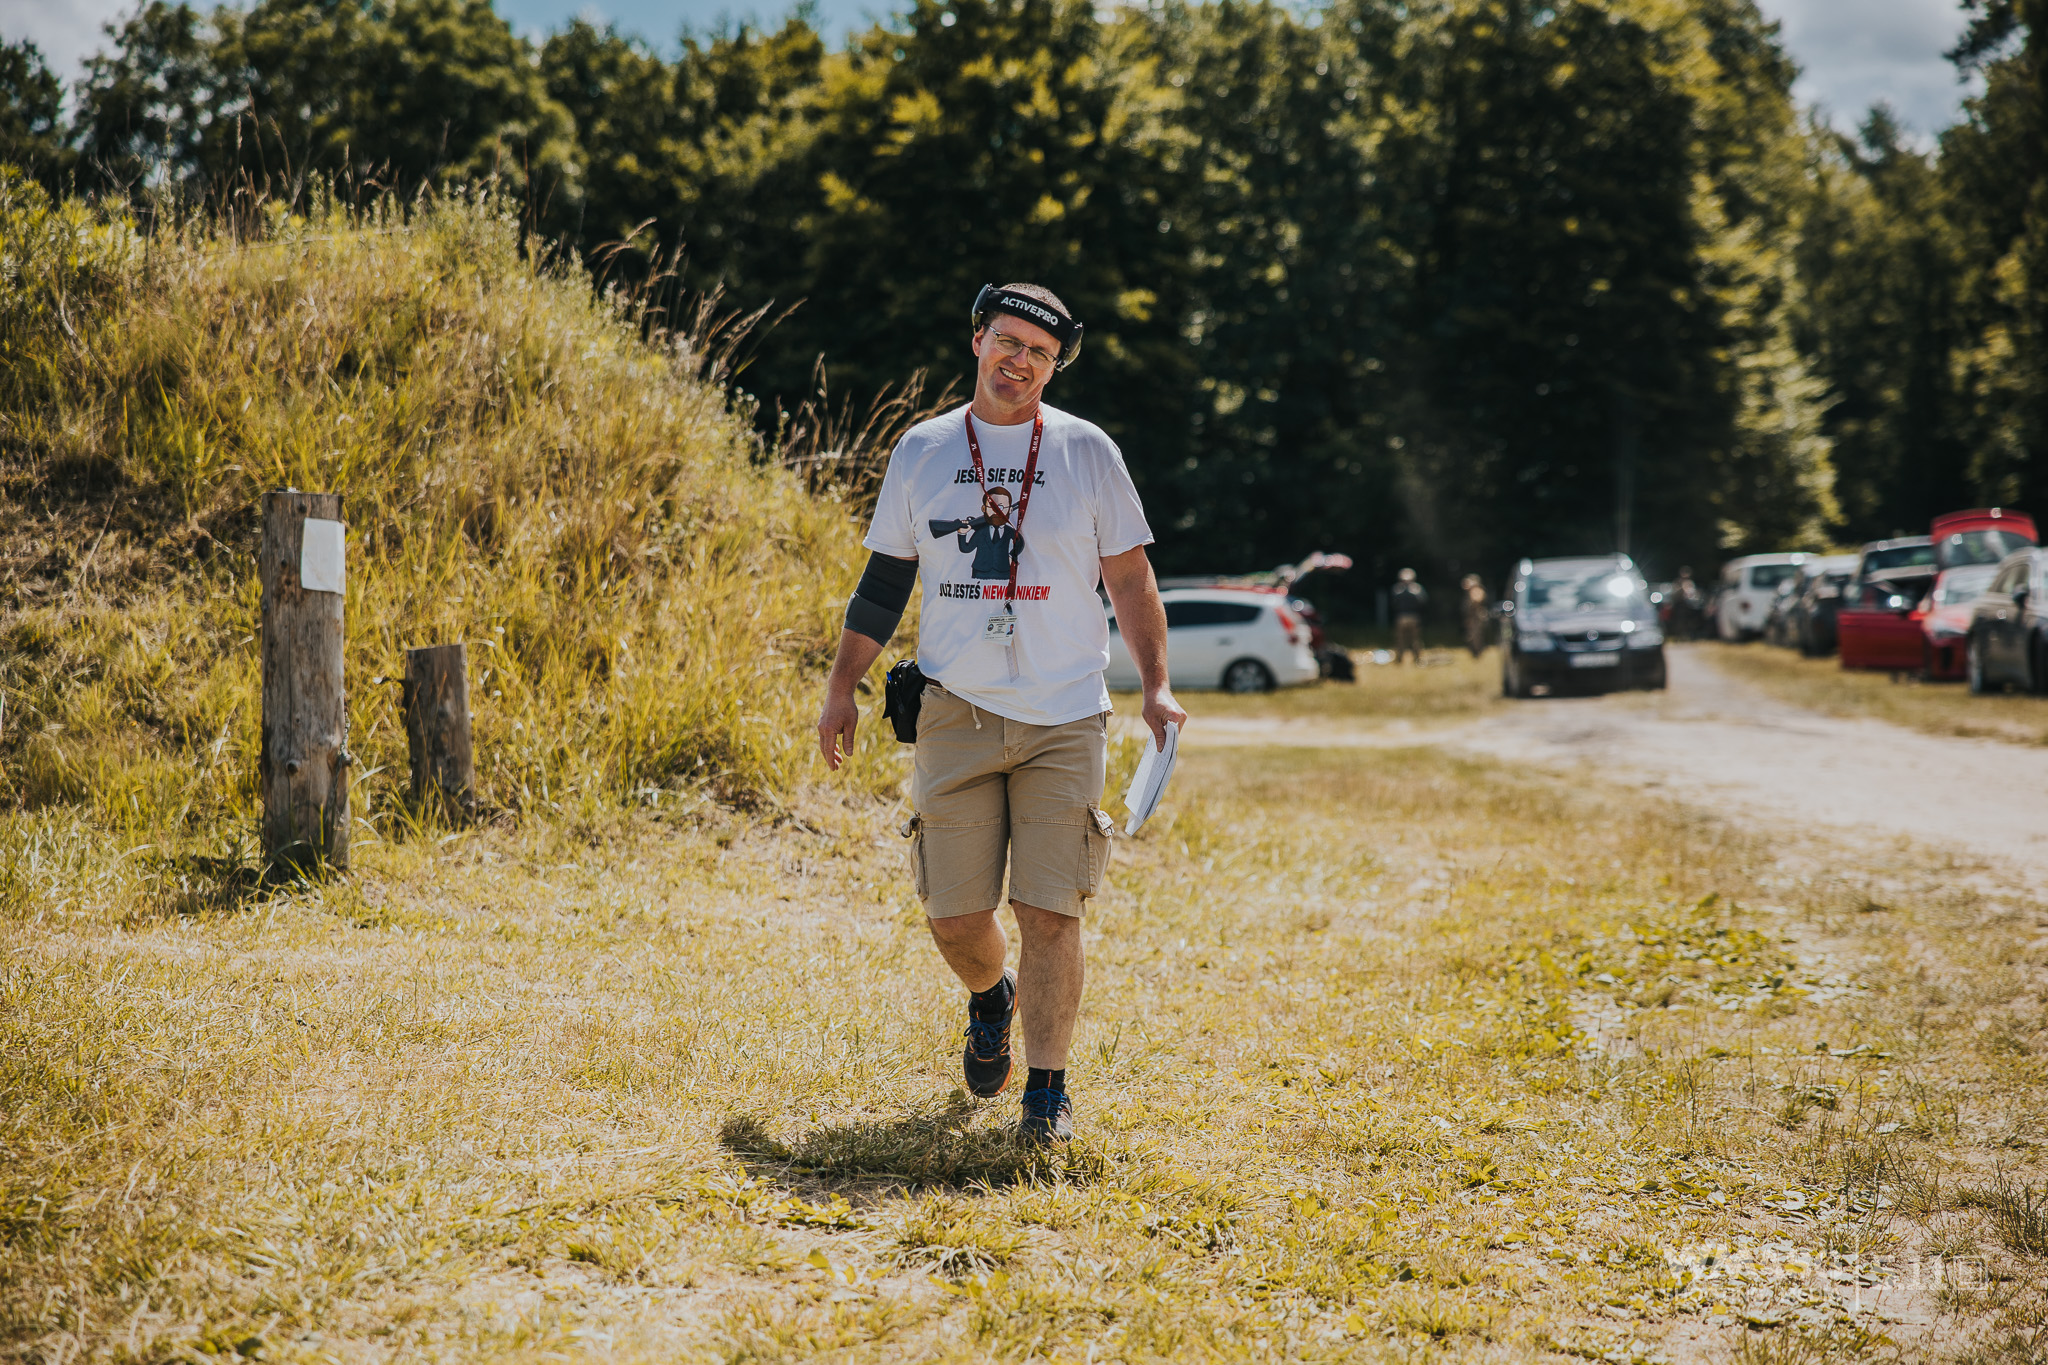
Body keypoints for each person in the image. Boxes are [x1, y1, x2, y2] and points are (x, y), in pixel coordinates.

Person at [816, 283, 1185, 1145]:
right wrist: (842, 687)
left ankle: (1046, 1093)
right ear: (977, 338)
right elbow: (883, 582)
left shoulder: (1089, 453)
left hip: (1064, 716)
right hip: (956, 710)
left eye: (1041, 353)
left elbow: (1130, 580)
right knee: (953, 914)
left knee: (1051, 910)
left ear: (1056, 365)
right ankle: (992, 998)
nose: (1020, 361)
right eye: (1008, 341)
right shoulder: (924, 449)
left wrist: (1155, 685)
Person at [1391, 567, 1427, 663]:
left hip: (1413, 616)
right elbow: (1394, 602)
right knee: (1400, 640)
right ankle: (1399, 659)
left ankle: (1417, 658)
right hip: (1401, 616)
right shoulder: (1398, 588)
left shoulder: (1417, 588)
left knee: (1415, 640)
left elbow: (1422, 601)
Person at [1460, 574, 1490, 657]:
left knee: (1476, 636)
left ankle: (1478, 652)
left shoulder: (1477, 590)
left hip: (1477, 618)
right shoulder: (1471, 592)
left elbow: (1477, 601)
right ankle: (1475, 652)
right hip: (1472, 618)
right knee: (1471, 635)